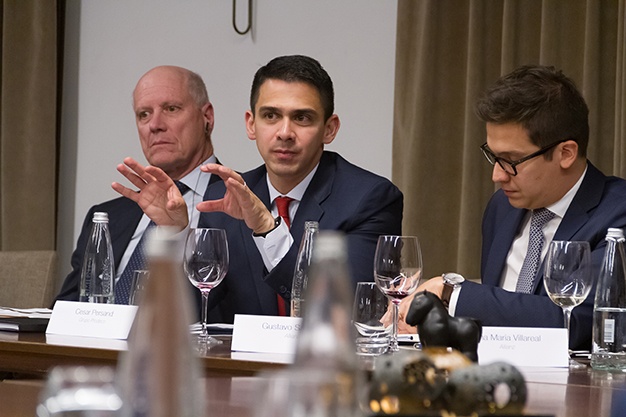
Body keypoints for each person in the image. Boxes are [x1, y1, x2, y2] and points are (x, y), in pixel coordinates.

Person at [146, 55, 404, 322]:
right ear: (251, 124)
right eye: (271, 116)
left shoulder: (370, 198)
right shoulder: (225, 195)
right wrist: (176, 235)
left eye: (302, 118)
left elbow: (352, 309)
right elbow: (192, 313)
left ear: (329, 129)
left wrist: (266, 228)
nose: (284, 133)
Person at [398, 65, 626, 351]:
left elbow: (581, 322)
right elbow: (497, 314)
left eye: (511, 160)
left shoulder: (617, 215)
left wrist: (452, 292)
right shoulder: (501, 208)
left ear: (566, 153)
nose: (497, 175)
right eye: (493, 157)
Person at [55, 65, 219, 306]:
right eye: (144, 114)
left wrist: (178, 236)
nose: (155, 124)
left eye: (171, 109)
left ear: (207, 117)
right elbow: (66, 307)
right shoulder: (107, 216)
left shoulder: (244, 202)